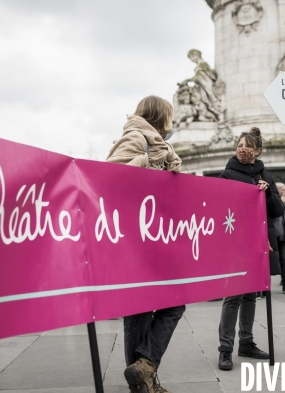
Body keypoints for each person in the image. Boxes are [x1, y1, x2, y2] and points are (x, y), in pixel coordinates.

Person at [106, 95, 184, 393]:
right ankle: (144, 380)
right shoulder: (137, 139)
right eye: (169, 116)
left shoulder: (161, 145)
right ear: (159, 116)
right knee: (139, 311)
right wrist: (146, 165)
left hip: (156, 240)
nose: (172, 123)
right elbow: (109, 177)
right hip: (134, 240)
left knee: (172, 302)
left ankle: (145, 370)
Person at [217, 127, 284, 371]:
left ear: (257, 150)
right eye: (239, 145)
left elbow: (277, 210)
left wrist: (267, 194)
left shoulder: (265, 175)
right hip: (237, 243)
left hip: (260, 242)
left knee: (251, 295)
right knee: (233, 295)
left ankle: (246, 342)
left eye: (247, 146)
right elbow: (221, 209)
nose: (242, 149)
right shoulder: (228, 175)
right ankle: (225, 349)